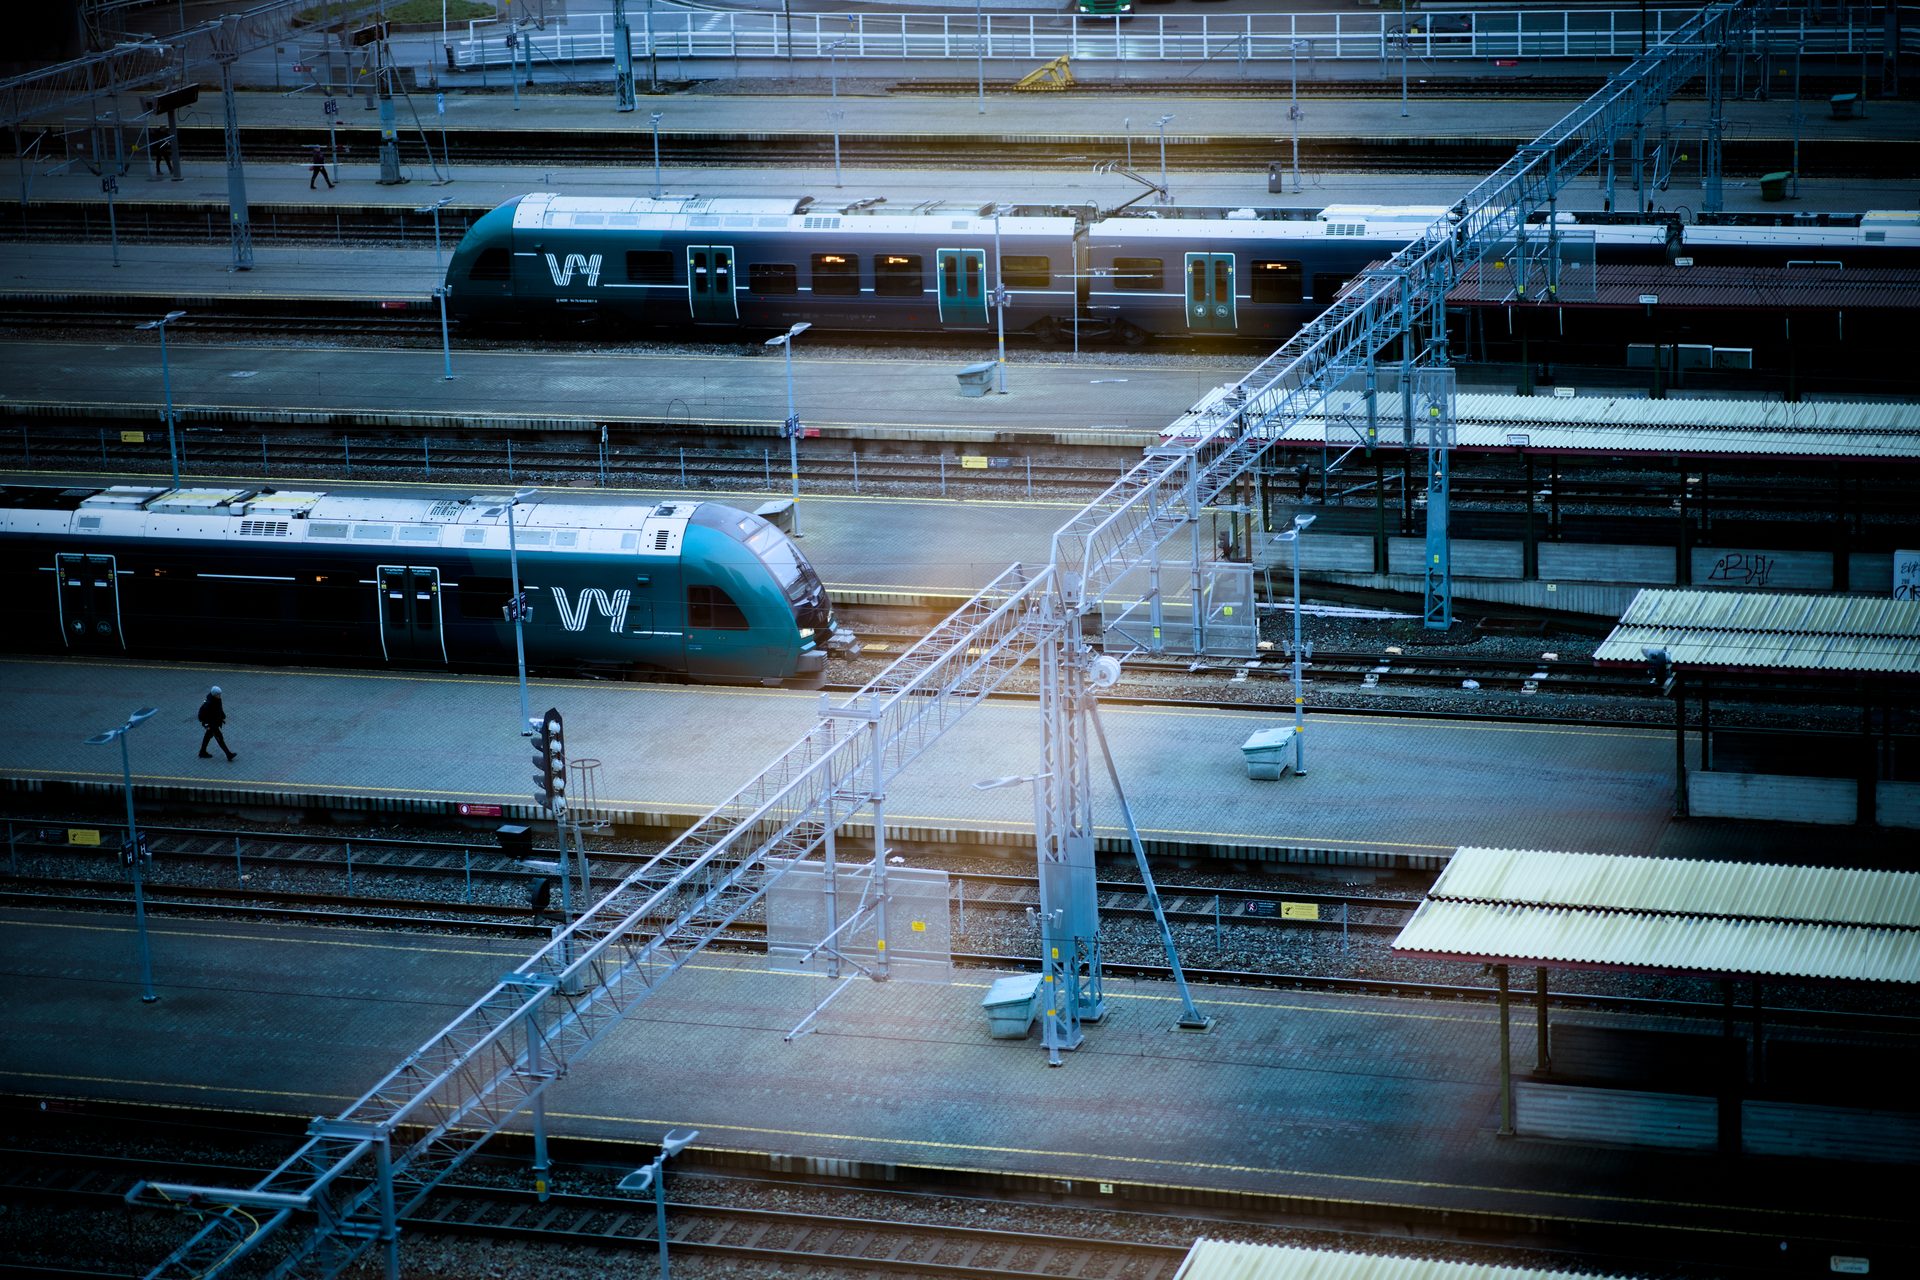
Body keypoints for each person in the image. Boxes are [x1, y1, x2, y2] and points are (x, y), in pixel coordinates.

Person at [197, 686, 236, 761]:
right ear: (214, 694)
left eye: (220, 694)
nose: (220, 695)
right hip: (212, 724)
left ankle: (202, 752)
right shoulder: (209, 703)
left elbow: (219, 709)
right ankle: (228, 754)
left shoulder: (216, 699)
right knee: (219, 738)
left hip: (214, 723)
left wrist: (222, 715)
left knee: (207, 737)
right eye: (218, 694)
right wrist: (207, 724)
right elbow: (206, 715)